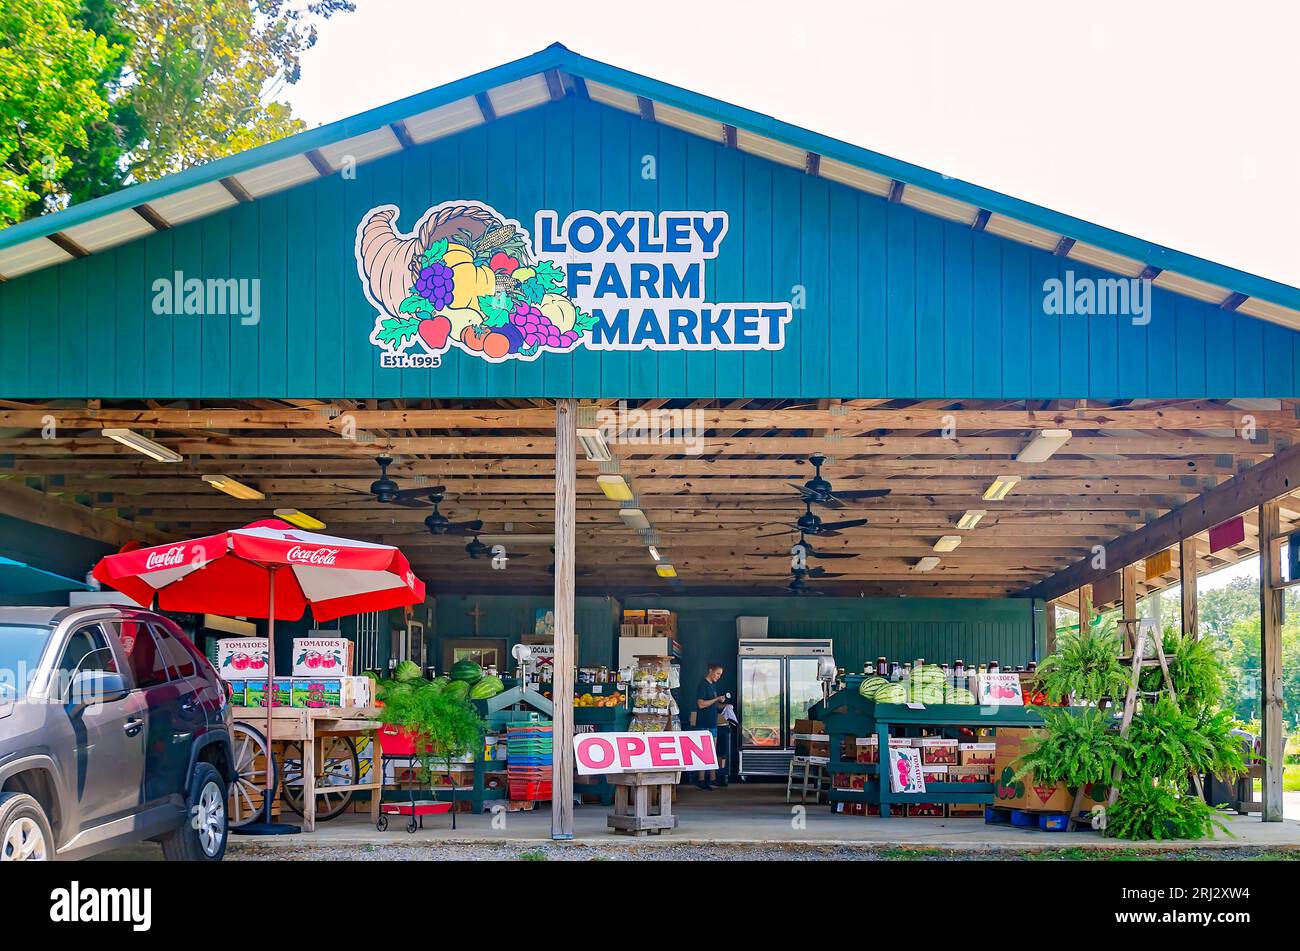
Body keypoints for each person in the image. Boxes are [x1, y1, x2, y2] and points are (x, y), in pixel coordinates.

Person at [693, 662, 727, 790]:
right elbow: (701, 704)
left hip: (712, 723)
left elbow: (713, 705)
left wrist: (723, 705)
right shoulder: (703, 685)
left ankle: (713, 778)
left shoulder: (713, 686)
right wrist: (716, 699)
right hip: (703, 724)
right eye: (717, 673)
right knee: (704, 752)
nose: (718, 676)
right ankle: (701, 779)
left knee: (712, 752)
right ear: (710, 670)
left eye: (720, 674)